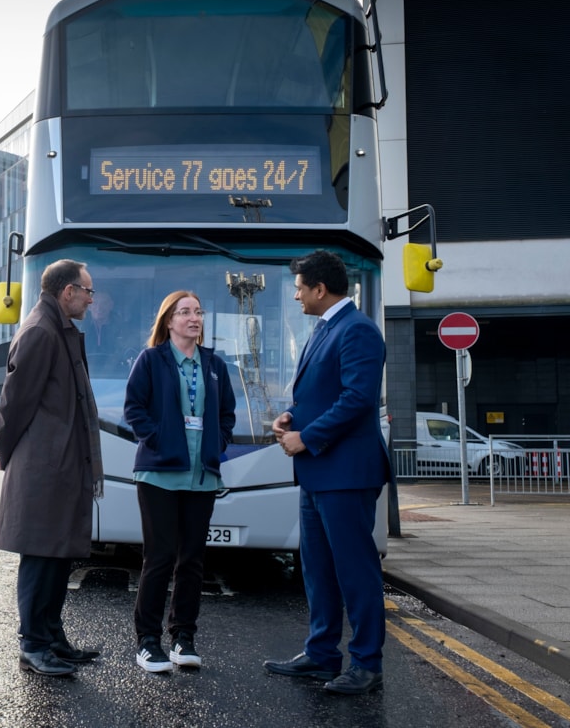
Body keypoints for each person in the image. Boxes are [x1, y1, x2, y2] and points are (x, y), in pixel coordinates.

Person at [263, 249, 392, 696]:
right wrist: (291, 416)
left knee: (355, 572)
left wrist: (307, 436)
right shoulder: (326, 328)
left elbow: (358, 399)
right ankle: (321, 654)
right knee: (317, 569)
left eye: (300, 288)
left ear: (320, 289)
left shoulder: (358, 330)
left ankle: (367, 664)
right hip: (320, 471)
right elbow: (324, 392)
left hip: (346, 472)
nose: (296, 295)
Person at [0, 259, 105, 677]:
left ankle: (52, 638)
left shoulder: (58, 328)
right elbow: (13, 403)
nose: (91, 299)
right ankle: (34, 644)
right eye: (88, 291)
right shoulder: (41, 331)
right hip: (43, 466)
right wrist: (7, 454)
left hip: (59, 463)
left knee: (58, 556)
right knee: (41, 557)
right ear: (67, 292)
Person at [123, 291, 235, 673]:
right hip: (158, 474)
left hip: (201, 477)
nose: (194, 318)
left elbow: (226, 415)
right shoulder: (151, 360)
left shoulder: (214, 364)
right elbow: (134, 408)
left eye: (198, 312)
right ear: (168, 321)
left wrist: (216, 446)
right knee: (160, 557)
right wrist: (158, 439)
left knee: (192, 561)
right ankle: (148, 642)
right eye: (184, 312)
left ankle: (183, 638)